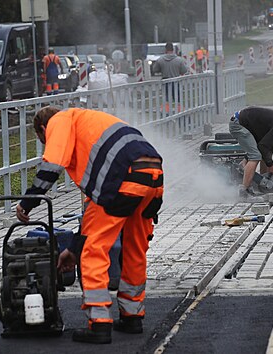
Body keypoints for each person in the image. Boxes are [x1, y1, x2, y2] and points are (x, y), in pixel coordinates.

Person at [15, 106, 164, 344]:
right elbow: (92, 217)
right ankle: (132, 317)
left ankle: (99, 323)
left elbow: (52, 165)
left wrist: (27, 203)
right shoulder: (90, 125)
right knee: (135, 250)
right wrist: (72, 250)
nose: (48, 143)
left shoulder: (60, 120)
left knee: (93, 252)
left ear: (43, 129)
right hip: (152, 175)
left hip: (121, 179)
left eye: (44, 139)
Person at [152, 42, 188, 113]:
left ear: (165, 49)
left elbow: (155, 69)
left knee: (166, 99)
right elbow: (184, 71)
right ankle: (180, 112)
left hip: (165, 81)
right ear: (173, 49)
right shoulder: (179, 60)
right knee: (178, 99)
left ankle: (166, 113)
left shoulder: (160, 59)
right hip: (176, 81)